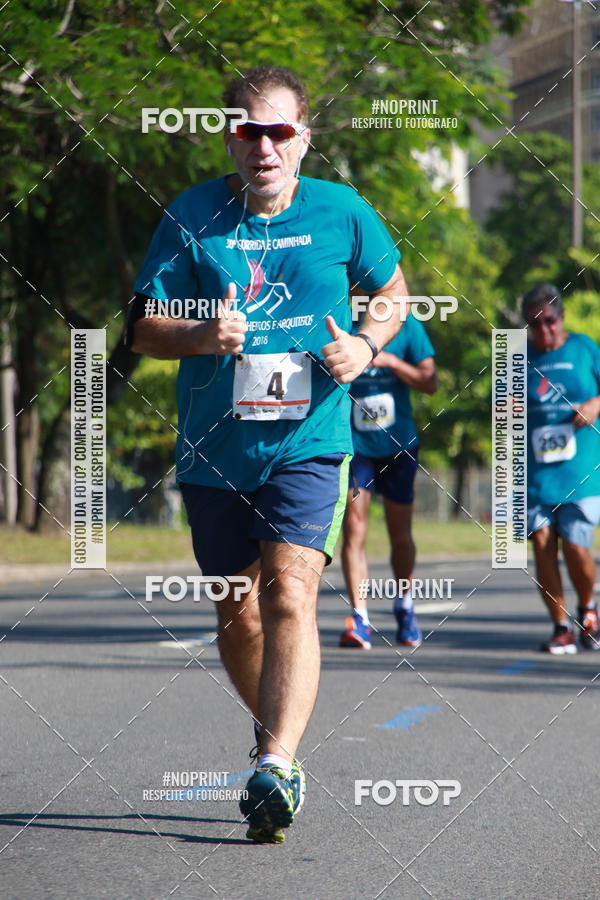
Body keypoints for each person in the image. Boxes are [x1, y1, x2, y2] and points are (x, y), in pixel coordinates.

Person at [127, 65, 409, 842]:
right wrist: (199, 336)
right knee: (235, 608)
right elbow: (142, 329)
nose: (264, 145)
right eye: (249, 130)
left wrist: (365, 343)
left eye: (279, 130)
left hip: (309, 440)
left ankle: (279, 762)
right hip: (215, 449)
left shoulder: (343, 212)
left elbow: (392, 293)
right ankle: (269, 736)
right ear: (230, 137)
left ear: (304, 139)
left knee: (290, 590)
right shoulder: (191, 217)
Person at [339, 312, 437, 649]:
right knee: (354, 528)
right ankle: (360, 617)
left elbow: (430, 382)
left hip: (398, 445)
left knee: (400, 533)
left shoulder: (407, 326)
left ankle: (405, 606)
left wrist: (392, 362)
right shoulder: (340, 321)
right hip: (355, 445)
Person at [524, 283, 600, 654]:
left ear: (561, 317)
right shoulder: (518, 358)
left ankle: (588, 609)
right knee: (541, 542)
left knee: (574, 542)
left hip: (581, 470)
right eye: (534, 325)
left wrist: (594, 405)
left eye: (549, 322)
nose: (543, 331)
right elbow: (498, 411)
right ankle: (560, 627)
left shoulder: (585, 348)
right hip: (536, 474)